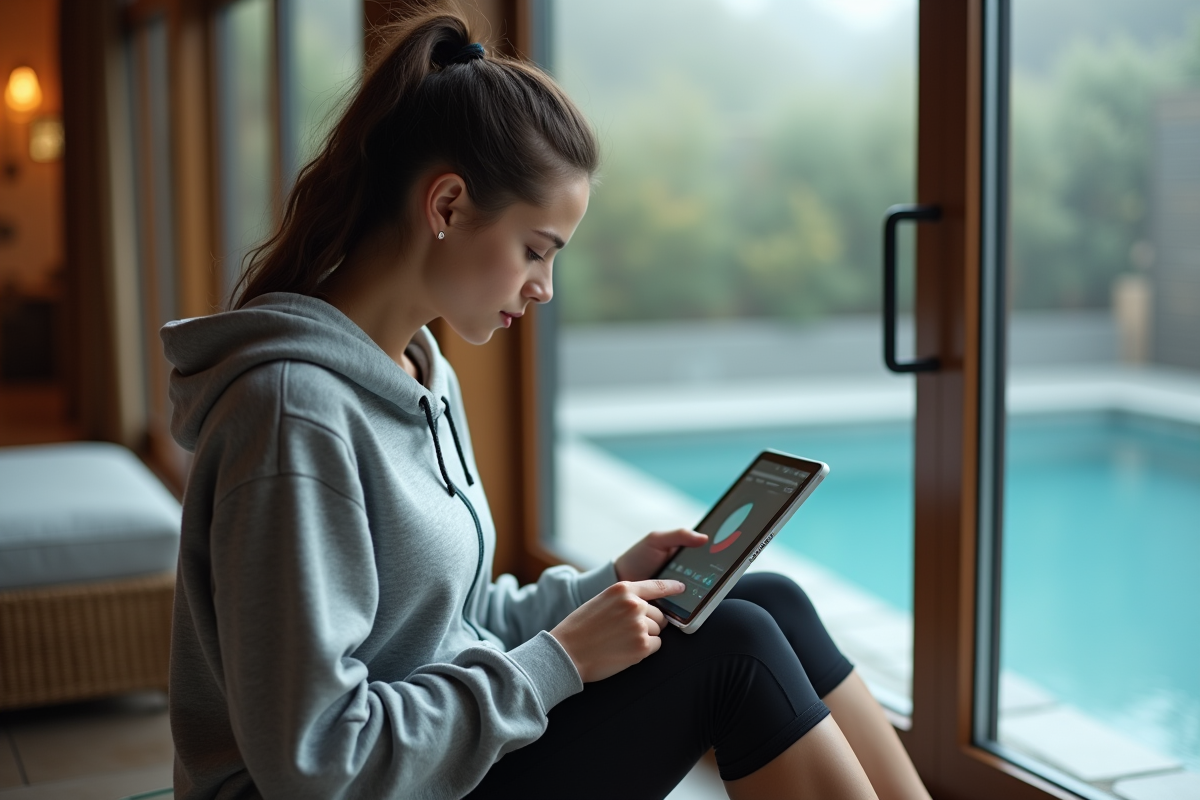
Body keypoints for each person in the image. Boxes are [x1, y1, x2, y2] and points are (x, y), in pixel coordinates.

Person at [162, 7, 932, 799]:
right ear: (448, 206)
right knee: (732, 648)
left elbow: (447, 622)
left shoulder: (418, 373)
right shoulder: (295, 416)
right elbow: (318, 759)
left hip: (434, 765)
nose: (545, 288)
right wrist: (560, 660)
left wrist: (608, 582)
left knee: (765, 598)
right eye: (536, 250)